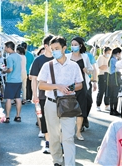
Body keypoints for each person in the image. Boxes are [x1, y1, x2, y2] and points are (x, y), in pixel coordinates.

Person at [38, 36, 83, 166]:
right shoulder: (48, 66)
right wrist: (57, 86)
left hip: (68, 103)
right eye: (52, 49)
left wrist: (71, 88)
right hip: (51, 103)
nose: (54, 51)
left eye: (57, 48)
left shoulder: (74, 66)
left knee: (68, 136)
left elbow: (80, 84)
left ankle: (70, 163)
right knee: (54, 136)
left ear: (64, 48)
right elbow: (41, 85)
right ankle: (57, 160)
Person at [30, 35, 54, 154]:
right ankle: (48, 142)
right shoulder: (38, 60)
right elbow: (33, 79)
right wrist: (35, 95)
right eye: (52, 44)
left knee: (57, 119)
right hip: (43, 95)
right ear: (46, 46)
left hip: (58, 96)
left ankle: (57, 142)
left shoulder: (59, 59)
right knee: (44, 119)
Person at [66, 36, 93, 141]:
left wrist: (87, 70)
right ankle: (69, 131)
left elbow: (91, 70)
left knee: (81, 108)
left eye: (75, 45)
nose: (73, 47)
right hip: (70, 84)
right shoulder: (67, 56)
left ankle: (78, 132)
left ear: (80, 45)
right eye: (72, 45)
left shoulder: (85, 57)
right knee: (69, 108)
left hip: (82, 84)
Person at [2, 41, 22, 123]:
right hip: (18, 80)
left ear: (9, 48)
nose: (5, 49)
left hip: (11, 80)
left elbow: (10, 69)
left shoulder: (9, 58)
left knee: (9, 99)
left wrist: (4, 71)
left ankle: (7, 117)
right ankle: (18, 116)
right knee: (18, 98)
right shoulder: (19, 56)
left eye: (5, 47)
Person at [106, 47, 122, 116]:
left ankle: (112, 110)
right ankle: (114, 110)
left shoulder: (111, 59)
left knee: (112, 95)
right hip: (115, 79)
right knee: (115, 95)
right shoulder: (114, 60)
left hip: (110, 79)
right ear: (118, 53)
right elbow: (119, 67)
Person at [96, 46, 112, 111]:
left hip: (108, 75)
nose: (109, 54)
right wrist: (107, 66)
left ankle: (107, 105)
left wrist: (107, 66)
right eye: (108, 52)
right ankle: (98, 105)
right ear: (104, 52)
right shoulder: (101, 57)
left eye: (110, 52)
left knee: (107, 90)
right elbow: (101, 67)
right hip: (102, 75)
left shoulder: (109, 58)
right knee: (101, 91)